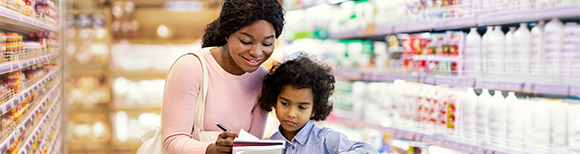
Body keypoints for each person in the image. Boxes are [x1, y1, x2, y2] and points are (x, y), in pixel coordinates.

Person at [161, 0, 284, 153]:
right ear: (227, 33)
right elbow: (172, 141)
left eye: (266, 44)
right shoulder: (191, 67)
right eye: (246, 41)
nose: (256, 52)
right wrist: (212, 149)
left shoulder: (263, 81)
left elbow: (252, 146)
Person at [259, 54, 379, 154]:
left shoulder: (326, 139)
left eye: (302, 107)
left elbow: (368, 150)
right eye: (285, 104)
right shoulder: (269, 146)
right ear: (274, 100)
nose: (291, 114)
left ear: (314, 109)